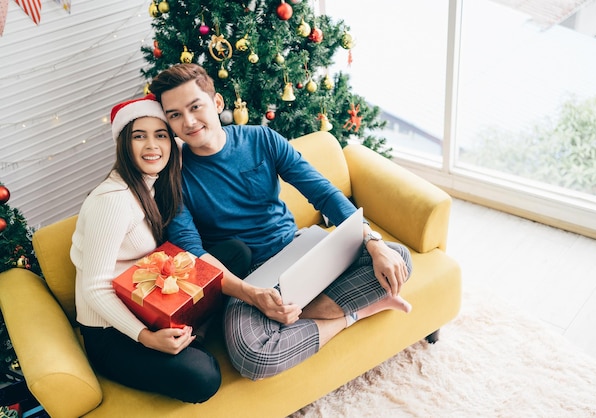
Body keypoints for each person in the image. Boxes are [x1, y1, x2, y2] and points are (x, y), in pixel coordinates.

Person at [149, 63, 413, 381]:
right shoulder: (172, 178)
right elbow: (192, 252)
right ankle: (356, 312)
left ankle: (295, 312)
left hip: (300, 250)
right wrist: (253, 296)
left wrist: (374, 242)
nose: (188, 122)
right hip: (249, 280)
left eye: (195, 107)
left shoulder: (261, 139)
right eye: (175, 115)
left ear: (217, 103)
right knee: (252, 357)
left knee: (398, 258)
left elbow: (324, 194)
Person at [70, 94, 221, 403]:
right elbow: (94, 288)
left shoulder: (153, 185)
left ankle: (194, 334)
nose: (152, 145)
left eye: (161, 135)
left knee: (233, 254)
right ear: (125, 144)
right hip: (112, 332)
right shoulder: (111, 200)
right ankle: (198, 338)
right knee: (204, 378)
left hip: (150, 303)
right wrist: (148, 338)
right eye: (140, 136)